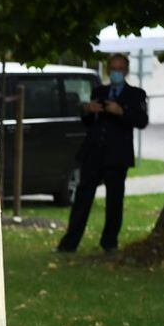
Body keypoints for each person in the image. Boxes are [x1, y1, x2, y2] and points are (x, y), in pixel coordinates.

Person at [57, 52, 149, 254]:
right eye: (112, 69)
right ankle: (69, 243)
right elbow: (89, 123)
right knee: (82, 198)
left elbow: (142, 121)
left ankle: (109, 243)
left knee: (114, 201)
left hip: (117, 156)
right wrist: (88, 110)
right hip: (94, 153)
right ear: (108, 70)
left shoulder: (136, 95)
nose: (115, 73)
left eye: (119, 69)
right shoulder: (99, 91)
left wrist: (121, 111)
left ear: (126, 71)